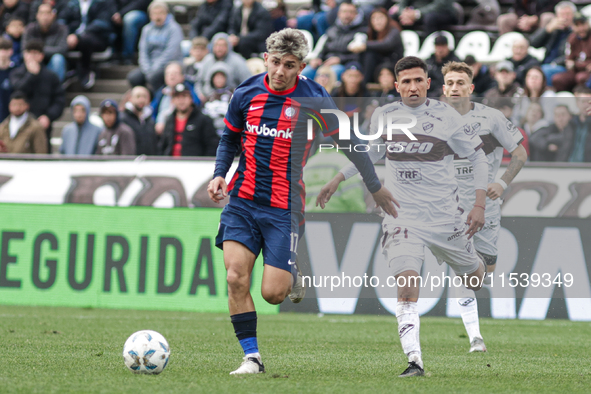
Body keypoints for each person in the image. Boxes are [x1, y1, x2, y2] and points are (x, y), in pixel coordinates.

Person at [207, 28, 396, 375]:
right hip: (242, 201)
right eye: (276, 62)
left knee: (273, 294)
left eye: (289, 65)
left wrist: (374, 185)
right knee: (236, 277)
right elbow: (229, 138)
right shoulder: (246, 92)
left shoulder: (315, 98)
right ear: (266, 58)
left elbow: (351, 143)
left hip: (283, 206)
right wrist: (220, 172)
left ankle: (291, 275)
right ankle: (252, 358)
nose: (280, 71)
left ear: (302, 66)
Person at [317, 56, 489, 377]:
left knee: (474, 278)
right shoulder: (384, 116)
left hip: (445, 217)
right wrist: (338, 178)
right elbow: (368, 154)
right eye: (405, 82)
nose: (412, 87)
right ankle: (415, 361)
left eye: (418, 80)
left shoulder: (446, 116)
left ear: (427, 83)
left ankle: (472, 261)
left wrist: (479, 204)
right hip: (401, 215)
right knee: (407, 286)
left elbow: (478, 158)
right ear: (396, 86)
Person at [441, 61, 527, 352]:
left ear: (471, 88)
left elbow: (520, 152)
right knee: (464, 269)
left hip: (486, 207)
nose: (455, 88)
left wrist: (502, 183)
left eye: (460, 83)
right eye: (450, 83)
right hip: (448, 209)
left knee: (483, 272)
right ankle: (475, 337)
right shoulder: (430, 119)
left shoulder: (491, 118)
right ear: (443, 88)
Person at [10, 39, 65, 153]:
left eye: (36, 53)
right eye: (29, 53)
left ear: (41, 56)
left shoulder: (51, 76)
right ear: (24, 55)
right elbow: (17, 92)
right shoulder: (16, 73)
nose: (32, 57)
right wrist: (31, 75)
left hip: (43, 124)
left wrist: (49, 116)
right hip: (19, 123)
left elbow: (59, 100)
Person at [127, 2, 183, 90]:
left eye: (161, 13)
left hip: (168, 64)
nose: (158, 16)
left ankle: (158, 99)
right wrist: (146, 67)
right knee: (134, 77)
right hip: (150, 65)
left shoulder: (174, 28)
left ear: (166, 14)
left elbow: (171, 52)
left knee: (153, 77)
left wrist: (154, 68)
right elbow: (143, 51)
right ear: (150, 15)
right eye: (155, 13)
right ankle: (145, 97)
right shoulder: (147, 29)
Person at [303, 1, 366, 80]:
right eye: (344, 11)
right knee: (305, 73)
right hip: (325, 63)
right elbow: (322, 49)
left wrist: (340, 60)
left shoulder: (361, 32)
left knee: (332, 73)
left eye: (350, 12)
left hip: (344, 65)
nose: (347, 15)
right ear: (339, 13)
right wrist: (318, 59)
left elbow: (358, 56)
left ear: (356, 14)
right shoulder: (331, 30)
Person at [62, 0, 115, 89]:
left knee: (85, 40)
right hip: (72, 38)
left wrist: (78, 36)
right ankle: (67, 72)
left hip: (96, 38)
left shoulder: (101, 2)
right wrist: (67, 34)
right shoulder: (71, 4)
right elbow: (62, 20)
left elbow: (102, 23)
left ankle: (86, 71)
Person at [159, 83, 219, 156]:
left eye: (184, 97)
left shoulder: (203, 120)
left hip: (194, 163)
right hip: (171, 163)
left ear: (191, 99)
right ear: (173, 101)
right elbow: (164, 145)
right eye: (178, 97)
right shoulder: (169, 120)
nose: (181, 101)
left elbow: (212, 145)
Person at [348, 8, 403, 83]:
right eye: (374, 18)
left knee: (370, 54)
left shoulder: (394, 30)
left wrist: (365, 45)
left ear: (387, 19)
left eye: (380, 18)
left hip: (392, 62)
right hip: (377, 63)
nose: (377, 21)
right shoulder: (371, 32)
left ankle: (364, 82)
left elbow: (386, 44)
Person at [195, 33, 252, 102]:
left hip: (231, 100)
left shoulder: (238, 61)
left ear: (228, 46)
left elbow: (248, 83)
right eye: (217, 45)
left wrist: (238, 98)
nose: (219, 48)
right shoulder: (207, 60)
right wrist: (200, 94)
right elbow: (198, 82)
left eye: (222, 45)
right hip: (208, 100)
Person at [530, 1, 575, 84]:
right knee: (530, 71)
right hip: (545, 64)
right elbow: (533, 43)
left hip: (561, 66)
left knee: (543, 72)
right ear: (557, 16)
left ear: (573, 16)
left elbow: (571, 54)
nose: (565, 17)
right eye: (562, 14)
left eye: (568, 14)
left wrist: (554, 63)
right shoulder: (553, 30)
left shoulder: (576, 33)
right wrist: (546, 30)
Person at [22, 3, 68, 82]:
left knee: (58, 59)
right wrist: (36, 55)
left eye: (47, 13)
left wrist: (40, 51)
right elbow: (24, 49)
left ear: (53, 15)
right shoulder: (29, 29)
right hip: (34, 62)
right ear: (37, 15)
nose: (45, 16)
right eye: (42, 13)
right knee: (29, 58)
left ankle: (55, 88)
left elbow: (62, 50)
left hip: (52, 63)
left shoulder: (62, 29)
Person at [150, 61, 199, 135]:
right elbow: (152, 110)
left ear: (182, 76)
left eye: (175, 73)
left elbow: (196, 106)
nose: (171, 76)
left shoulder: (189, 91)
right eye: (168, 74)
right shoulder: (161, 93)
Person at [551, 12, 591, 92]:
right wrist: (583, 64)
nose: (581, 28)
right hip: (575, 71)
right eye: (577, 25)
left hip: (587, 73)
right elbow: (569, 62)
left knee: (581, 77)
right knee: (557, 79)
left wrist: (577, 64)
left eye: (583, 24)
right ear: (572, 27)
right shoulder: (572, 38)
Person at [120, 86, 157, 155]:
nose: (141, 100)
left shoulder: (150, 120)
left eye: (144, 97)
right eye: (138, 96)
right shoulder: (123, 118)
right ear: (130, 98)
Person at [111, 0, 150, 64]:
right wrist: (115, 13)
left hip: (139, 11)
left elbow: (141, 3)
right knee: (109, 16)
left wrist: (121, 14)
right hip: (118, 13)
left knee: (130, 19)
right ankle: (114, 54)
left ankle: (127, 56)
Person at [391, 0, 458, 35]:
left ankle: (430, 50)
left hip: (443, 12)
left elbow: (440, 5)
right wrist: (404, 14)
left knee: (430, 18)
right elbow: (402, 4)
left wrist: (417, 13)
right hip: (418, 13)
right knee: (393, 17)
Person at [0, 36, 15, 123]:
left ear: (11, 51)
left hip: (10, 115)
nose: (3, 53)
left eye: (6, 50)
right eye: (1, 49)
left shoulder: (16, 70)